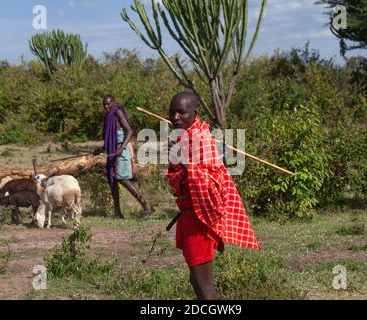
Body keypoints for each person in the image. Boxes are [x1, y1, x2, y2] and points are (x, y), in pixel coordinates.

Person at [165, 92, 261, 300]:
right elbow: (176, 182)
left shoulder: (203, 141)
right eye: (172, 112)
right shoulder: (183, 139)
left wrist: (182, 161)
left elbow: (212, 185)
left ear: (194, 113)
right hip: (189, 217)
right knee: (196, 281)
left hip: (201, 219)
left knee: (205, 287)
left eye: (182, 112)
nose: (175, 118)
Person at [93, 95, 154, 220]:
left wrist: (122, 147)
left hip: (121, 150)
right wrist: (101, 149)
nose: (106, 106)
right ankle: (117, 213)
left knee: (123, 179)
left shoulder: (117, 112)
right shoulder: (108, 116)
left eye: (108, 104)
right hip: (112, 150)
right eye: (104, 105)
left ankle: (147, 207)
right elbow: (110, 137)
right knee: (113, 181)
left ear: (113, 102)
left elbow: (130, 131)